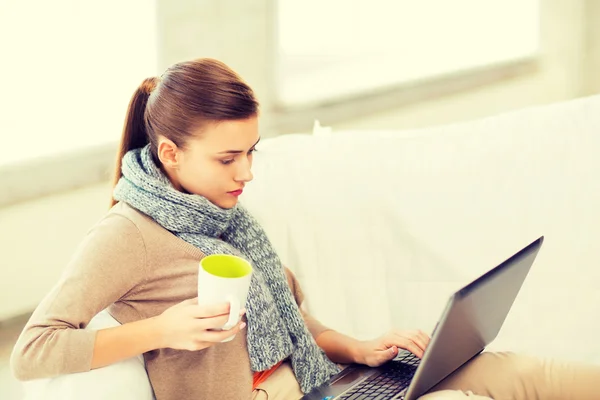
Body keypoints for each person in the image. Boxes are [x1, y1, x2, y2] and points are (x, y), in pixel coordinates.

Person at [9, 58, 600, 400]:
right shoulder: (126, 234)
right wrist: (161, 329)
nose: (246, 172)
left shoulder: (226, 217)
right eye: (227, 157)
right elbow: (32, 353)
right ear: (169, 153)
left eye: (252, 152)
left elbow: (289, 322)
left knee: (516, 371)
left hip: (322, 384)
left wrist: (359, 347)